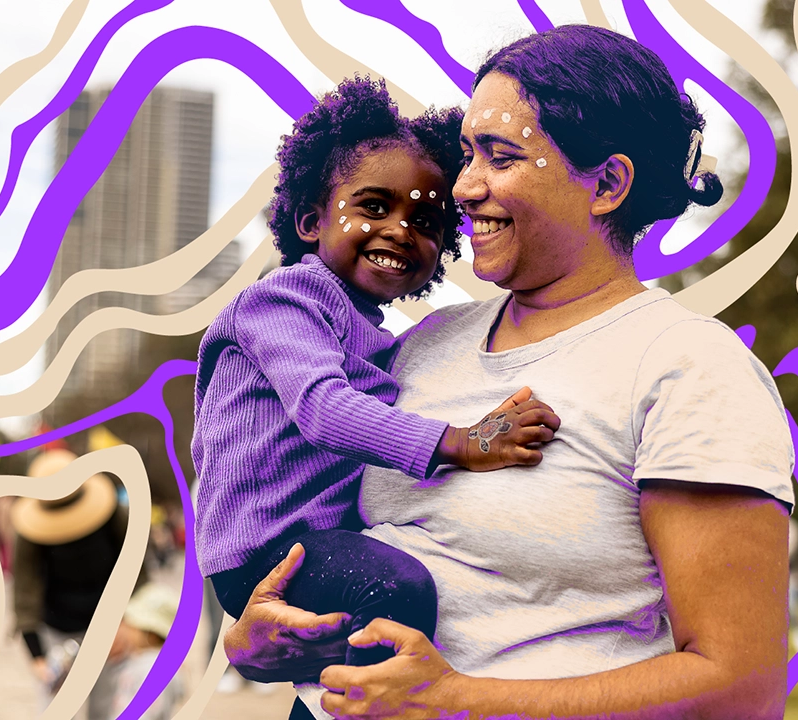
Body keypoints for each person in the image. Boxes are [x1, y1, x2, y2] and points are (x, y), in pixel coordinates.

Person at [222, 25, 795, 720]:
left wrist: (461, 701)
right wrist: (257, 645)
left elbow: (740, 688)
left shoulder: (686, 367)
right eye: (466, 154)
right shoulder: (421, 347)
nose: (462, 187)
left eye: (500, 156)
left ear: (608, 183)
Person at [192, 76, 561, 692]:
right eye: (373, 207)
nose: (399, 228)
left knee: (359, 631)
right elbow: (323, 409)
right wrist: (464, 441)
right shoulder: (283, 300)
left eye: (425, 219)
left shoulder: (383, 341)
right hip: (266, 553)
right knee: (399, 588)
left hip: (317, 542)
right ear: (310, 221)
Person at [11, 448, 142, 720]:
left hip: (109, 626)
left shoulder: (114, 516)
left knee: (105, 706)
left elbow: (137, 571)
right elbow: (25, 593)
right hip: (56, 627)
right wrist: (38, 656)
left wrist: (128, 622)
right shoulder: (28, 534)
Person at [106, 583, 186, 720]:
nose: (125, 626)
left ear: (152, 634)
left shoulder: (155, 670)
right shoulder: (138, 659)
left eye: (132, 623)